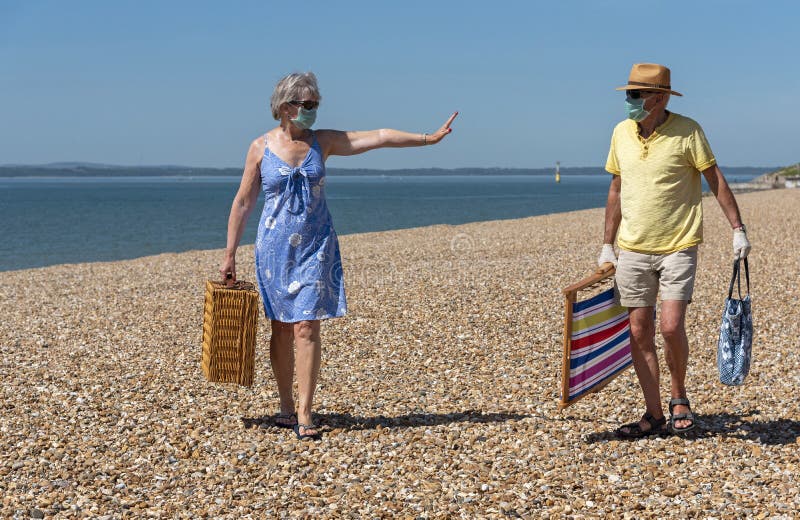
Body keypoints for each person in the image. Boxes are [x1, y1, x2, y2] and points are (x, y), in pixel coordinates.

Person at [220, 71, 457, 440]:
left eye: (316, 104)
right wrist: (230, 254)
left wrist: (428, 139)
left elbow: (377, 137)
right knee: (281, 327)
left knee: (307, 325)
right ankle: (285, 405)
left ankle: (304, 412)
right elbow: (244, 201)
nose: (314, 110)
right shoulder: (260, 147)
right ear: (286, 107)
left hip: (316, 246)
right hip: (274, 250)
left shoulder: (323, 142)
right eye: (307, 104)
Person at [598, 63, 751, 438]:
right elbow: (616, 190)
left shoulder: (688, 131)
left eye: (636, 94)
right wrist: (606, 244)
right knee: (639, 330)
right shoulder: (620, 133)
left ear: (661, 97)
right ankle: (653, 414)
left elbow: (715, 179)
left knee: (669, 326)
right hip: (632, 249)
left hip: (678, 246)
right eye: (628, 94)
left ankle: (679, 396)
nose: (630, 101)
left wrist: (738, 229)